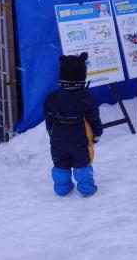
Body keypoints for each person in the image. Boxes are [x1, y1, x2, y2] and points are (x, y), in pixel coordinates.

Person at [43, 52, 103, 197]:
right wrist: (97, 133)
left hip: (58, 140)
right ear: (82, 75)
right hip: (80, 141)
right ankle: (87, 189)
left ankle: (62, 188)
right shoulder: (86, 98)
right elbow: (94, 118)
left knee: (60, 164)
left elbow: (49, 119)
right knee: (82, 164)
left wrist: (51, 133)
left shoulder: (52, 98)